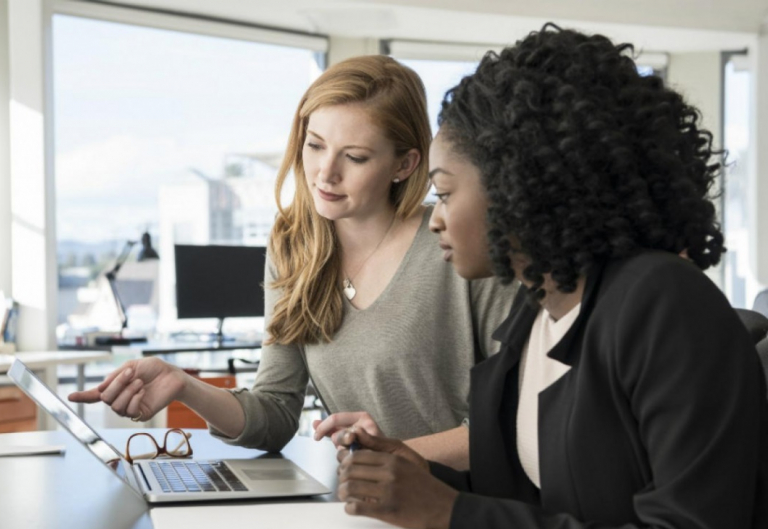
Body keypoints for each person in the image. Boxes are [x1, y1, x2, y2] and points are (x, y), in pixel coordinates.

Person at [333, 24, 768, 529]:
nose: (434, 218)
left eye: (444, 193)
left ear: (521, 184)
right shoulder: (535, 312)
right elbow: (528, 499)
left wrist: (450, 510)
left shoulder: (663, 303)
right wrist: (416, 474)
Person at [69, 55, 516, 466]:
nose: (325, 172)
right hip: (372, 502)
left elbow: (516, 423)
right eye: (315, 145)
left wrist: (395, 455)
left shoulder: (460, 244)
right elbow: (276, 412)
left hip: (469, 510)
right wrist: (184, 386)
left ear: (405, 164)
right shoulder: (293, 249)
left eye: (355, 157)